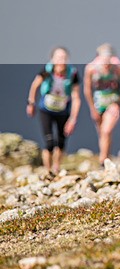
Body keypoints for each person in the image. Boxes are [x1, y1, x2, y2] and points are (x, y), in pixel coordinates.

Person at [26, 47, 82, 177]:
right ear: (52, 59)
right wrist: (31, 103)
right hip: (46, 110)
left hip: (63, 111)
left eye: (63, 58)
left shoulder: (72, 74)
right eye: (58, 57)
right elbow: (35, 85)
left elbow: (76, 98)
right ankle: (48, 170)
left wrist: (73, 119)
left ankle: (56, 168)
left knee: (61, 141)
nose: (61, 60)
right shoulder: (47, 71)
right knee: (49, 142)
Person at [84, 43, 120, 163]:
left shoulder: (119, 68)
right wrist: (92, 108)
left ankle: (103, 160)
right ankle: (107, 158)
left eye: (108, 60)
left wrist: (119, 102)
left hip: (113, 104)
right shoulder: (91, 69)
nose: (106, 63)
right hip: (98, 104)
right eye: (103, 60)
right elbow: (87, 89)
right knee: (102, 133)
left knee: (106, 130)